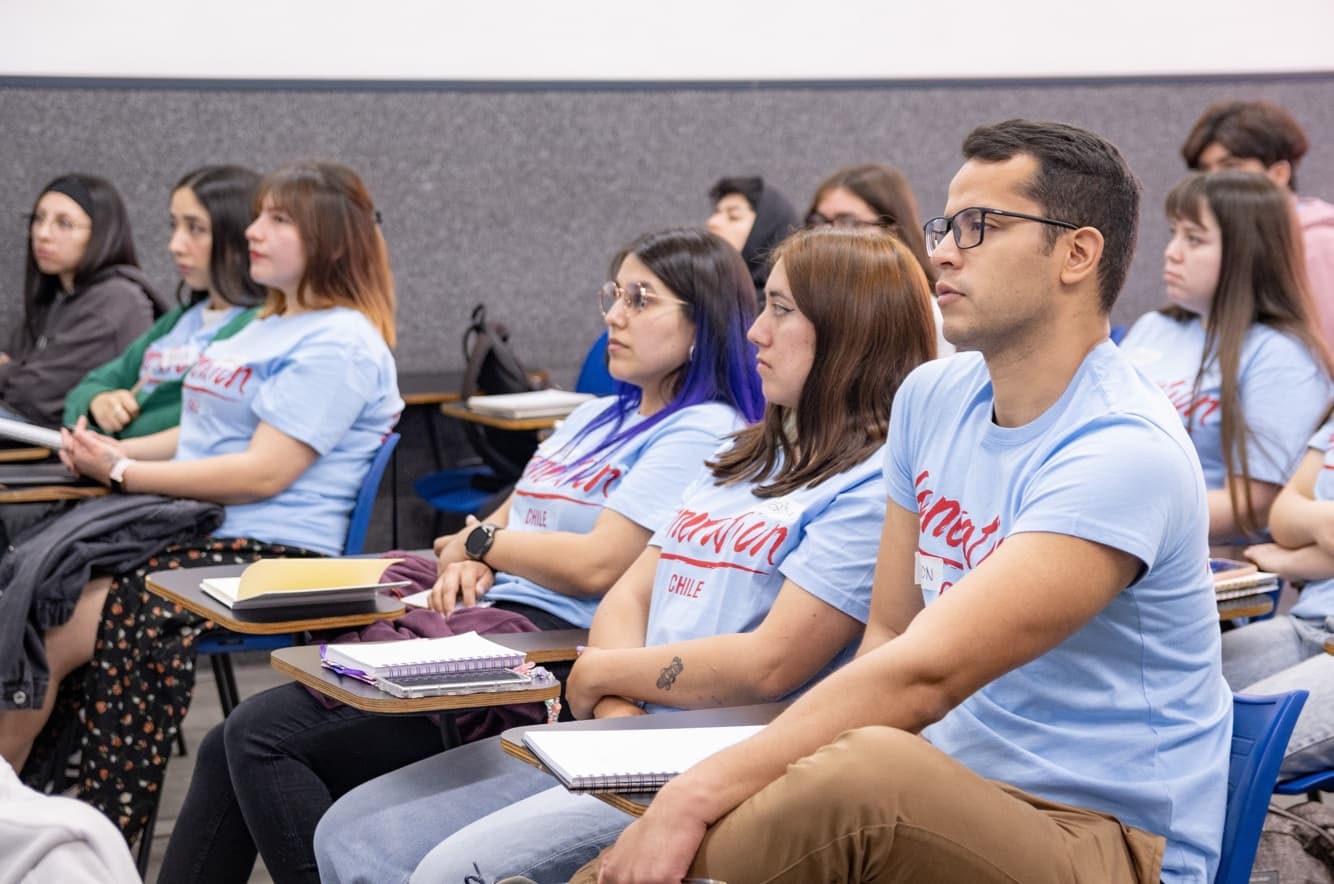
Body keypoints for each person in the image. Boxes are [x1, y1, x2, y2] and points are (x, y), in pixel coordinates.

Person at [577, 120, 1231, 884]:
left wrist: (694, 797)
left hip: (1106, 838)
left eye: (979, 227)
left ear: (1077, 254)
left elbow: (923, 677)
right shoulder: (932, 396)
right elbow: (889, 630)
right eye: (945, 225)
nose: (943, 251)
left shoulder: (1123, 448)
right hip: (949, 788)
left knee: (863, 774)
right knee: (840, 768)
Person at [314, 224, 938, 884]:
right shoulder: (745, 455)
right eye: (763, 306)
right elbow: (628, 594)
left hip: (718, 756)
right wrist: (617, 711)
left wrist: (607, 680)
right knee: (349, 835)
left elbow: (771, 664)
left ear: (852, 331)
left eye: (781, 310)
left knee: (435, 869)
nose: (756, 331)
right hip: (624, 733)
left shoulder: (870, 488)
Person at [155, 227, 764, 884]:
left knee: (260, 736)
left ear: (702, 326)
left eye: (641, 300)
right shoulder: (593, 416)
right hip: (474, 619)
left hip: (538, 655)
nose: (613, 316)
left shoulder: (704, 428)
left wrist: (489, 548)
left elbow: (596, 564)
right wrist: (481, 554)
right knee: (230, 742)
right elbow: (479, 531)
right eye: (614, 295)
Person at [0, 161, 402, 849]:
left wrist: (126, 471)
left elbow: (262, 474)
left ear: (328, 239)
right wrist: (114, 455)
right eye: (259, 215)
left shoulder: (341, 342)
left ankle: (96, 834)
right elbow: (200, 434)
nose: (252, 230)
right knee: (43, 588)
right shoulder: (261, 325)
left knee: (67, 618)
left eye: (278, 219)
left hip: (276, 548)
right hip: (202, 525)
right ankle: (32, 817)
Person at [1120, 171, 1333, 542]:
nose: (1172, 252)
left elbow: (1255, 504)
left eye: (1195, 239)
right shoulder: (1153, 327)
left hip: (1204, 563)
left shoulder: (1281, 355)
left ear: (1247, 254)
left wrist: (1123, 520)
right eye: (1174, 233)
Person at [63, 165, 265, 439]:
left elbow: (196, 415)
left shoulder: (259, 325)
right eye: (174, 225)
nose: (175, 245)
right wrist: (99, 402)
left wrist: (112, 431)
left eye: (195, 228)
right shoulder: (182, 319)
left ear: (239, 236)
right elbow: (86, 389)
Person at [0, 174, 169, 427]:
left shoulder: (117, 299)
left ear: (101, 233)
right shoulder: (55, 300)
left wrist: (11, 368)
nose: (43, 234)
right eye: (38, 219)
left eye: (64, 223)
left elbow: (34, 396)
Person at [1225, 415, 1334, 777]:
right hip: (1307, 625)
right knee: (1142, 700)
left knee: (1209, 749)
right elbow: (1282, 517)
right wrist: (1324, 523)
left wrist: (1292, 559)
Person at [1183, 100, 1334, 346]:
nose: (1213, 183)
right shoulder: (1227, 242)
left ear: (1278, 175)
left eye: (1231, 167)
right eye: (1204, 171)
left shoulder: (1318, 244)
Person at [806, 163, 954, 357]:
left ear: (892, 231)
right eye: (819, 221)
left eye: (849, 222)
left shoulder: (923, 314)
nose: (827, 234)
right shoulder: (805, 300)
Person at [704, 175, 798, 301]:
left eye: (734, 216)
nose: (712, 222)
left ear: (765, 227)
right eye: (716, 212)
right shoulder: (703, 291)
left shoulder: (785, 305)